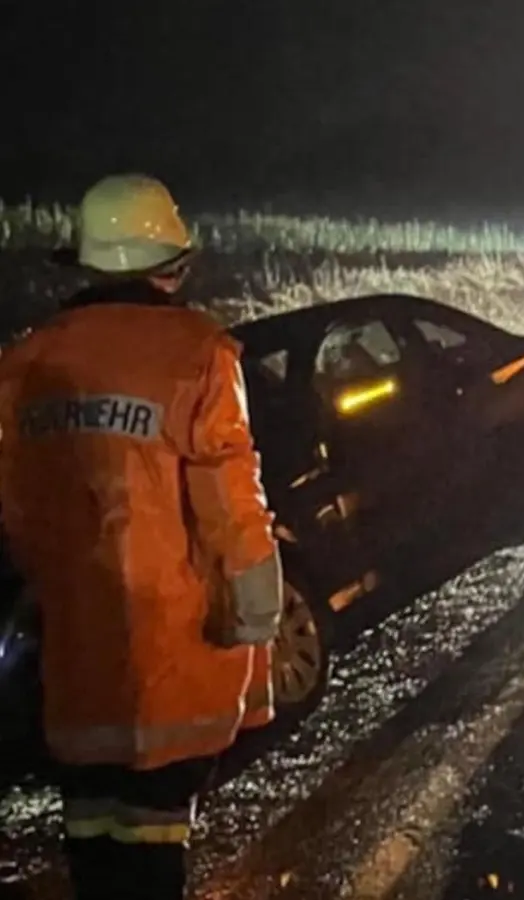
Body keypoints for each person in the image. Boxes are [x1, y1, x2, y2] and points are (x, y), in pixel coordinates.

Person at [0, 174, 282, 899]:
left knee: (93, 838)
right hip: (171, 656)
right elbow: (228, 494)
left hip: (76, 660)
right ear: (171, 265)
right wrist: (258, 603)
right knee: (154, 843)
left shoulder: (27, 363)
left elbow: (19, 510)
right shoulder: (199, 353)